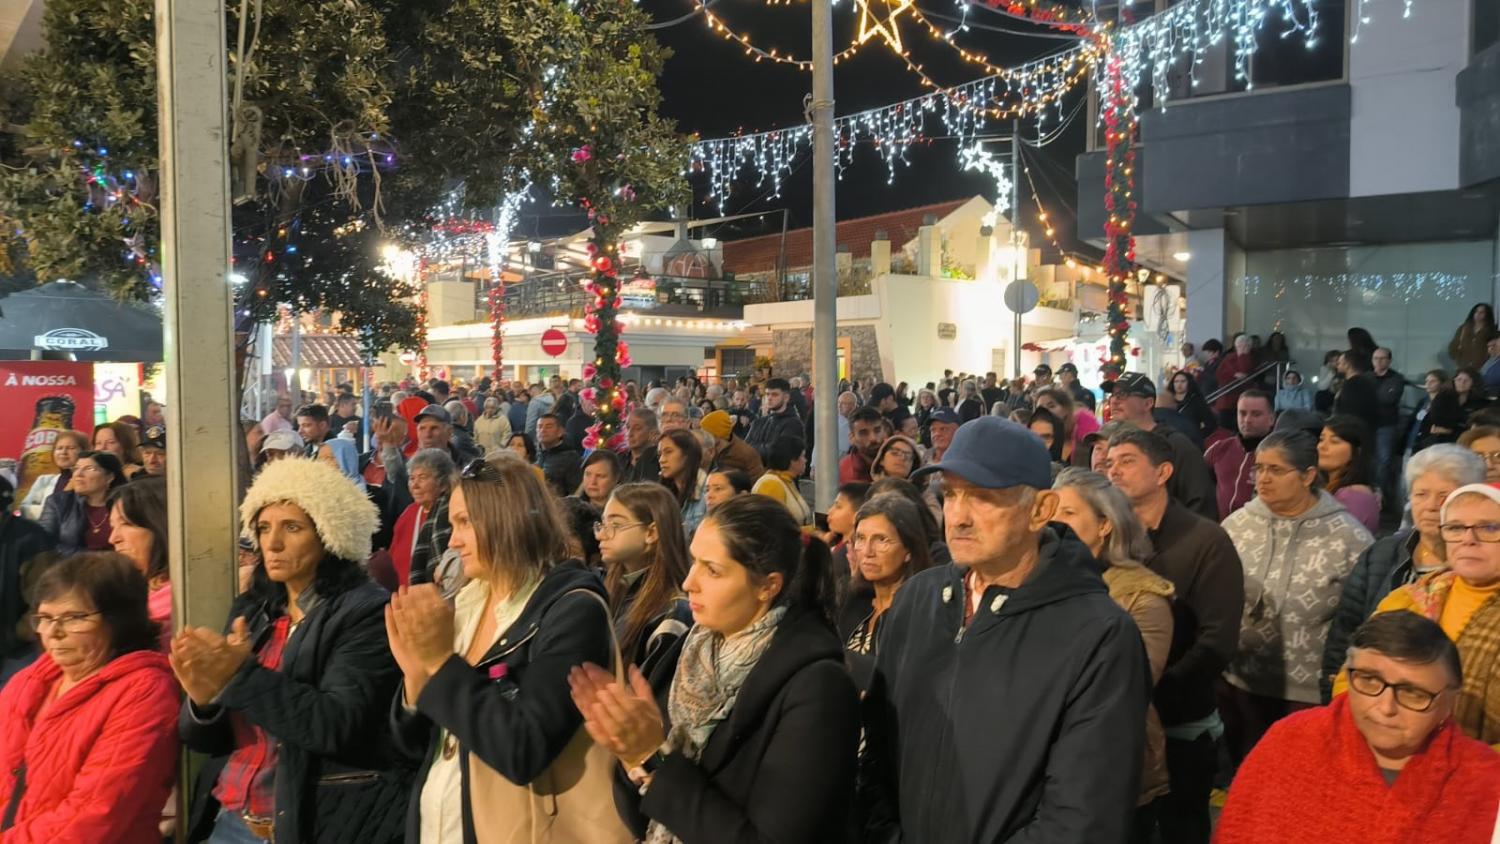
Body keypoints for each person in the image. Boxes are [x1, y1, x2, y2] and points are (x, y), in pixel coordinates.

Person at [861, 417, 1150, 841]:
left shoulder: (1099, 635)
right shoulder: (917, 598)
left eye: (982, 498)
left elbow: (1081, 818)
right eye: (952, 494)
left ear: (1040, 510)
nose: (957, 516)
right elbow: (878, 756)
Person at [569, 494, 859, 843]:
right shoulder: (689, 651)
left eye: (713, 570)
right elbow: (641, 807)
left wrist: (650, 758)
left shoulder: (818, 686)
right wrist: (627, 746)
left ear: (768, 586)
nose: (690, 581)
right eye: (694, 562)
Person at [387, 453, 627, 844]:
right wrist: (415, 680)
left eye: (464, 522)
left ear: (506, 517)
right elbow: (414, 748)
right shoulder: (463, 603)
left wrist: (438, 660)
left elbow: (523, 749)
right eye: (452, 524)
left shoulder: (572, 610)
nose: (453, 540)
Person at [176, 458, 407, 843]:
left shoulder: (367, 613)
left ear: (330, 535)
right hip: (228, 818)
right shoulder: (254, 610)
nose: (272, 543)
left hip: (306, 824)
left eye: (292, 528)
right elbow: (208, 743)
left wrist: (238, 677)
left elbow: (337, 726)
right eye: (264, 528)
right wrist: (202, 706)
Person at [1217, 613, 1500, 844]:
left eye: (1413, 693)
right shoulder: (1290, 739)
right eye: (1368, 680)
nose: (1385, 707)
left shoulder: (1485, 780)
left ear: (1450, 701)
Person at [1104, 426, 1243, 843]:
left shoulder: (1206, 541)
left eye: (1127, 461)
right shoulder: (1108, 540)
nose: (1114, 472)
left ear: (1163, 472)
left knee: (1182, 827)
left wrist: (1152, 692)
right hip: (1118, 722)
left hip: (1180, 720)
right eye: (1109, 463)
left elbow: (1217, 642)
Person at [0, 552, 180, 841]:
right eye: (45, 618)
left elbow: (94, 814)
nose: (53, 633)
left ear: (118, 621)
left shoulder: (145, 692)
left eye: (73, 618)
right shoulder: (29, 680)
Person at [1220, 430, 1374, 765]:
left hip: (1307, 692)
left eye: (1275, 470)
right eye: (1258, 469)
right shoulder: (1236, 525)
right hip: (1241, 680)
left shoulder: (1348, 536)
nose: (1262, 479)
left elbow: (1361, 617)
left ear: (1307, 475)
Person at [1053, 468, 1176, 836]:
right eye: (1052, 510)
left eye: (1069, 513)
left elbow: (1126, 687)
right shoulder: (1034, 582)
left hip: (1111, 768)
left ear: (1105, 525)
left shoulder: (1143, 597)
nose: (1055, 522)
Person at [1320, 445, 1484, 700]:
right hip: (1369, 695)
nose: (1430, 505)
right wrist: (1335, 697)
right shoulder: (1381, 554)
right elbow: (1346, 630)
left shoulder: (1477, 572)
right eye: (1420, 494)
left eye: (1444, 495)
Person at [1354, 482, 1500, 748]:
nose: (1469, 539)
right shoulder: (1409, 599)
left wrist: (1464, 764)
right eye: (1456, 527)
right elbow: (1354, 675)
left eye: (1489, 527)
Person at [595, 483, 693, 679]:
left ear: (651, 533)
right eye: (602, 524)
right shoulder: (612, 587)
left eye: (615, 525)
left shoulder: (672, 613)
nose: (602, 534)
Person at [839, 493, 933, 693]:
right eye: (861, 539)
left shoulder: (922, 613)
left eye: (881, 540)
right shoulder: (853, 600)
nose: (867, 551)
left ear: (909, 549)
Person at [1107, 373, 1219, 520]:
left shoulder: (1176, 444)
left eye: (1122, 395)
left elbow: (1201, 500)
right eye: (1112, 395)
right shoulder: (1114, 445)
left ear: (1148, 403)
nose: (1114, 401)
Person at [106, 477, 172, 651]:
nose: (113, 539)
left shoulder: (181, 599)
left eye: (126, 524)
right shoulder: (129, 586)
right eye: (112, 527)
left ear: (161, 525)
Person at [388, 448, 457, 588]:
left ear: (443, 484)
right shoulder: (409, 513)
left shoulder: (452, 514)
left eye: (422, 478)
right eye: (412, 478)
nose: (415, 485)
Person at [1205, 390, 1276, 519]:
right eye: (1242, 413)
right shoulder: (1220, 448)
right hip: (1221, 531)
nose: (1247, 420)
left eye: (1256, 414)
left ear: (1271, 419)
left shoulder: (1281, 455)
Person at [40, 451, 128, 555]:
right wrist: (96, 557)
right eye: (76, 468)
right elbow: (44, 543)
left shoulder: (127, 504)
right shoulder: (58, 502)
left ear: (109, 477)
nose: (78, 474)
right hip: (70, 567)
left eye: (89, 469)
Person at [1318, 416, 1381, 534]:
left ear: (1357, 450)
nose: (1322, 446)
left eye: (1334, 441)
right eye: (1321, 439)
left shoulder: (1352, 496)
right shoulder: (1333, 489)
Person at [18, 429, 87, 520]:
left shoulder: (87, 480)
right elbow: (24, 509)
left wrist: (44, 511)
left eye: (71, 448)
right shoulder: (44, 481)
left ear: (84, 451)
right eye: (59, 448)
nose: (63, 452)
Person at [657, 428, 709, 538]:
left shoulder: (707, 492)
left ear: (687, 455)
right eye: (660, 454)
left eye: (668, 452)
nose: (661, 459)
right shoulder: (663, 492)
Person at [751, 437, 813, 527]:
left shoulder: (786, 481)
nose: (805, 460)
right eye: (802, 456)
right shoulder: (771, 484)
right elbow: (775, 528)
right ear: (792, 460)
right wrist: (812, 532)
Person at [1033, 387, 1100, 464]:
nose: (1046, 411)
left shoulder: (1087, 438)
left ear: (1066, 409)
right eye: (1040, 409)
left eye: (1051, 406)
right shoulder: (1036, 443)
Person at [744, 378, 803, 461]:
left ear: (786, 397)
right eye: (767, 394)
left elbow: (779, 453)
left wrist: (755, 448)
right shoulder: (759, 422)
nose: (769, 398)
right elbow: (744, 449)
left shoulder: (794, 423)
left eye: (774, 394)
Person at [699, 409, 764, 480]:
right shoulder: (708, 451)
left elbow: (757, 486)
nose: (703, 438)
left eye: (706, 434)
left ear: (717, 435)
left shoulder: (747, 455)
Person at [1212, 334, 1257, 428]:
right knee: (1224, 425)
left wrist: (1242, 356)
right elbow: (1219, 374)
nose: (1242, 348)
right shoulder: (1229, 357)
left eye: (1245, 345)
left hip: (1241, 397)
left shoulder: (1252, 358)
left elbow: (1245, 370)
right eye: (1240, 345)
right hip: (1226, 397)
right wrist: (1234, 374)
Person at [534, 413, 583, 498]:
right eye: (539, 426)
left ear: (560, 432)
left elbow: (575, 492)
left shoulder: (571, 458)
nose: (543, 430)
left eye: (548, 427)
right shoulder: (537, 456)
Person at [1166, 371, 1218, 442]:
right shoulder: (1167, 400)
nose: (1179, 384)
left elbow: (1211, 424)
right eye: (1176, 381)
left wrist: (1196, 435)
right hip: (1170, 440)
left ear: (1189, 383)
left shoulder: (1196, 401)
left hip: (1191, 442)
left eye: (1183, 381)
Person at [839, 406, 885, 484]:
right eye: (864, 433)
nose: (873, 438)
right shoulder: (845, 472)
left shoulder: (897, 457)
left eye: (877, 431)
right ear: (852, 438)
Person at [1448, 302, 1497, 371]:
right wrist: (1457, 360)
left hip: (1483, 368)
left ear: (1487, 315)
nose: (1478, 314)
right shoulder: (1463, 329)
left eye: (1481, 312)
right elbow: (1454, 345)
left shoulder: (1491, 331)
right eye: (1476, 311)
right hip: (1463, 367)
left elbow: (1495, 349)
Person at [622, 408, 663, 484]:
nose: (629, 433)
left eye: (637, 428)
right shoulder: (619, 460)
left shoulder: (660, 461)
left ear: (652, 433)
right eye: (627, 427)